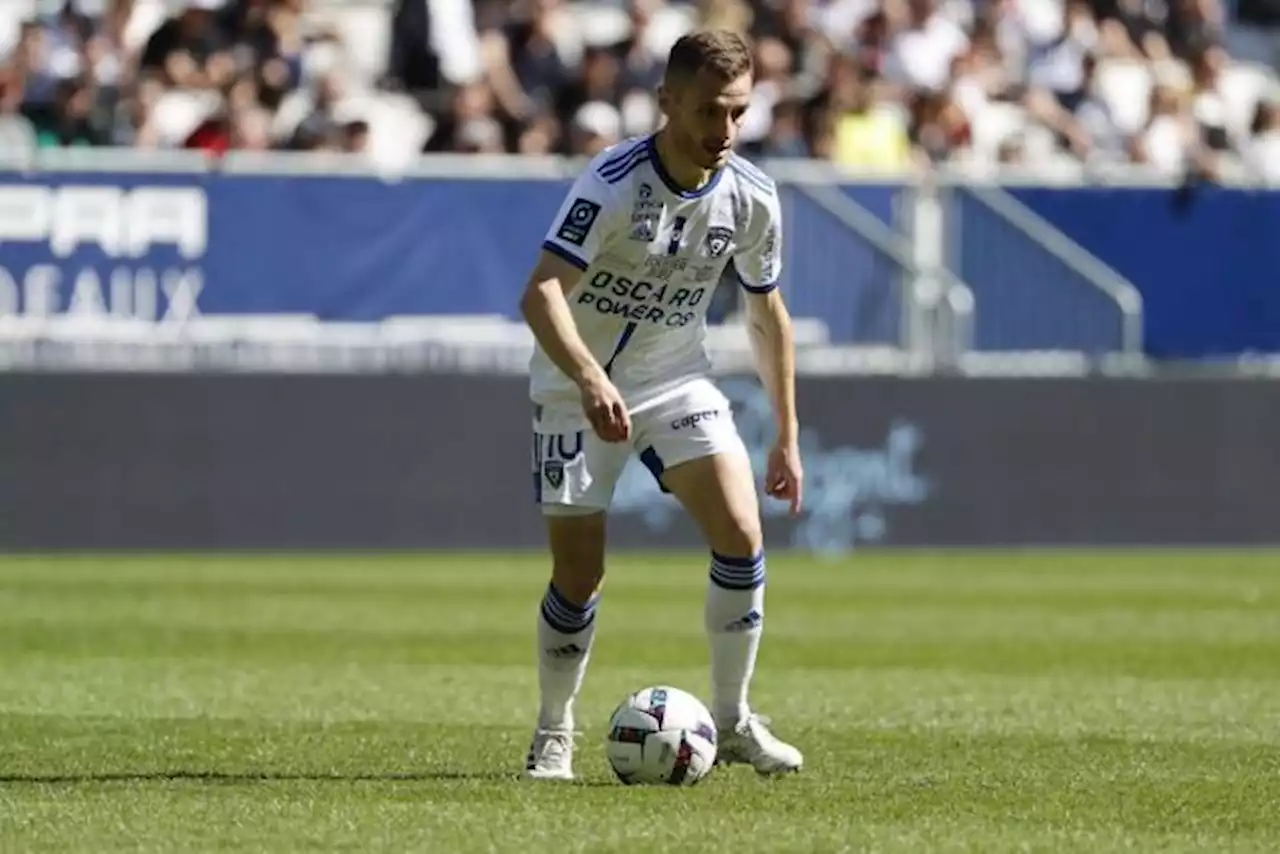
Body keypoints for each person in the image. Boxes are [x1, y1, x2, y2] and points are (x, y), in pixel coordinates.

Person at [518, 28, 804, 781]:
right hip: (575, 388)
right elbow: (541, 292)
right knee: (579, 577)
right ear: (668, 102)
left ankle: (735, 719)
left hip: (675, 378)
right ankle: (554, 732)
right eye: (710, 111)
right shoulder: (612, 183)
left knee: (742, 535)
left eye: (738, 113)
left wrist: (786, 438)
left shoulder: (751, 195)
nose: (725, 131)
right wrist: (587, 377)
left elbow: (767, 315)